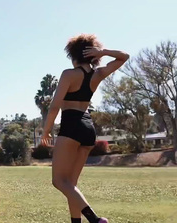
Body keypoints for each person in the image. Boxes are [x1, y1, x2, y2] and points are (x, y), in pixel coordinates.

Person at [41, 34, 129, 223]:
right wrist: (103, 52)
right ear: (92, 55)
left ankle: (95, 219)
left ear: (73, 56)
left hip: (71, 126)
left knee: (59, 181)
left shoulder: (68, 74)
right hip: (88, 128)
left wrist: (46, 131)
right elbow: (124, 56)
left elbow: (54, 107)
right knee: (71, 185)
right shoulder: (97, 74)